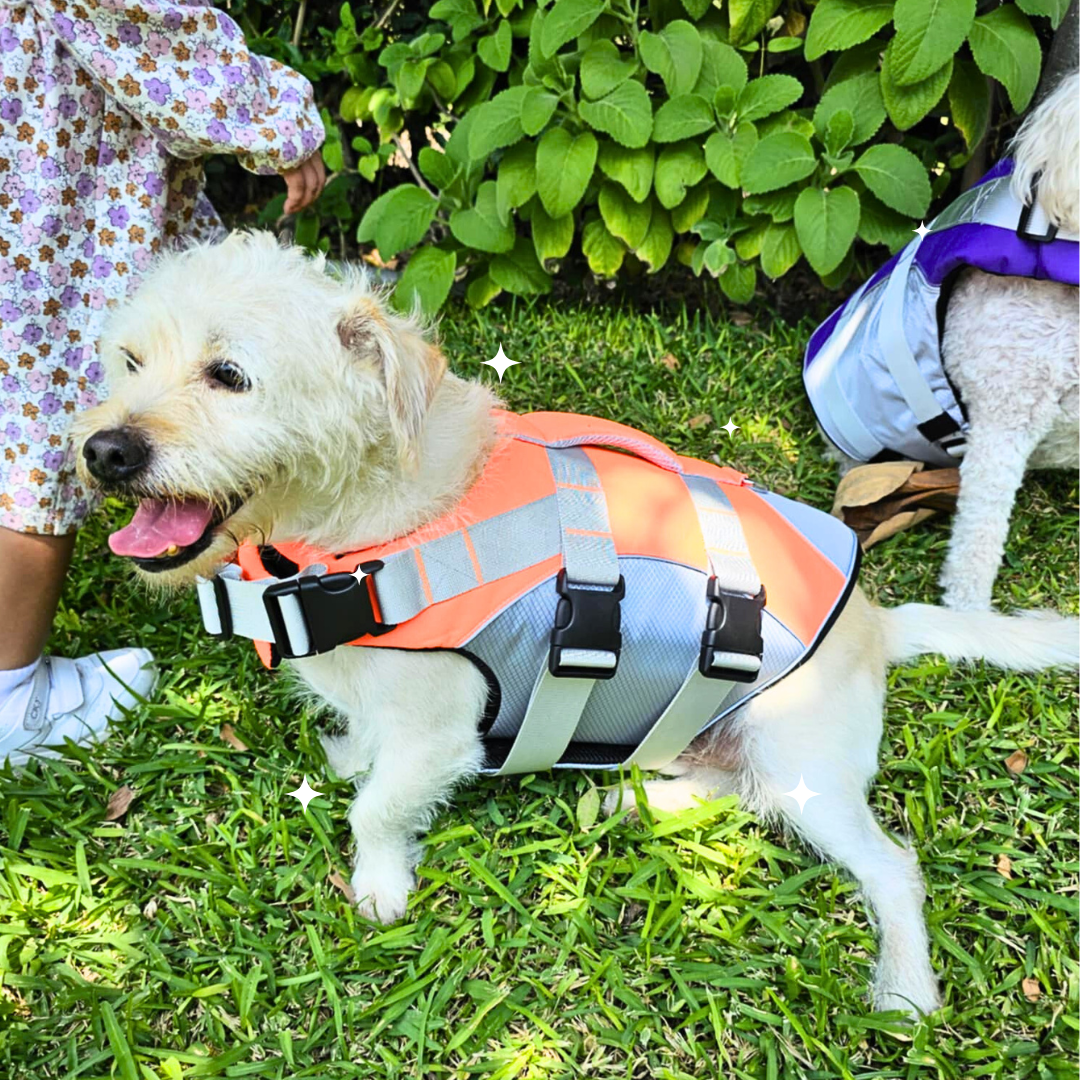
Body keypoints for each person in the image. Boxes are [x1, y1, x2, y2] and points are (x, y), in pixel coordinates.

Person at [0, 0, 327, 764]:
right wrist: (278, 123)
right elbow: (156, 36)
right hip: (56, 221)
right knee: (36, 454)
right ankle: (11, 694)